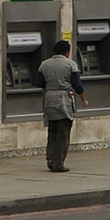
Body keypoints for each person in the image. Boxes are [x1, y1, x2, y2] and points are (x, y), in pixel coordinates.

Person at [36, 37, 88, 172]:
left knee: (52, 131)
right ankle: (59, 162)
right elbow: (77, 84)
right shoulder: (71, 65)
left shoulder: (44, 64)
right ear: (67, 52)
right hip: (64, 98)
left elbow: (39, 83)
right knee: (63, 132)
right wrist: (83, 99)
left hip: (49, 99)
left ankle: (50, 159)